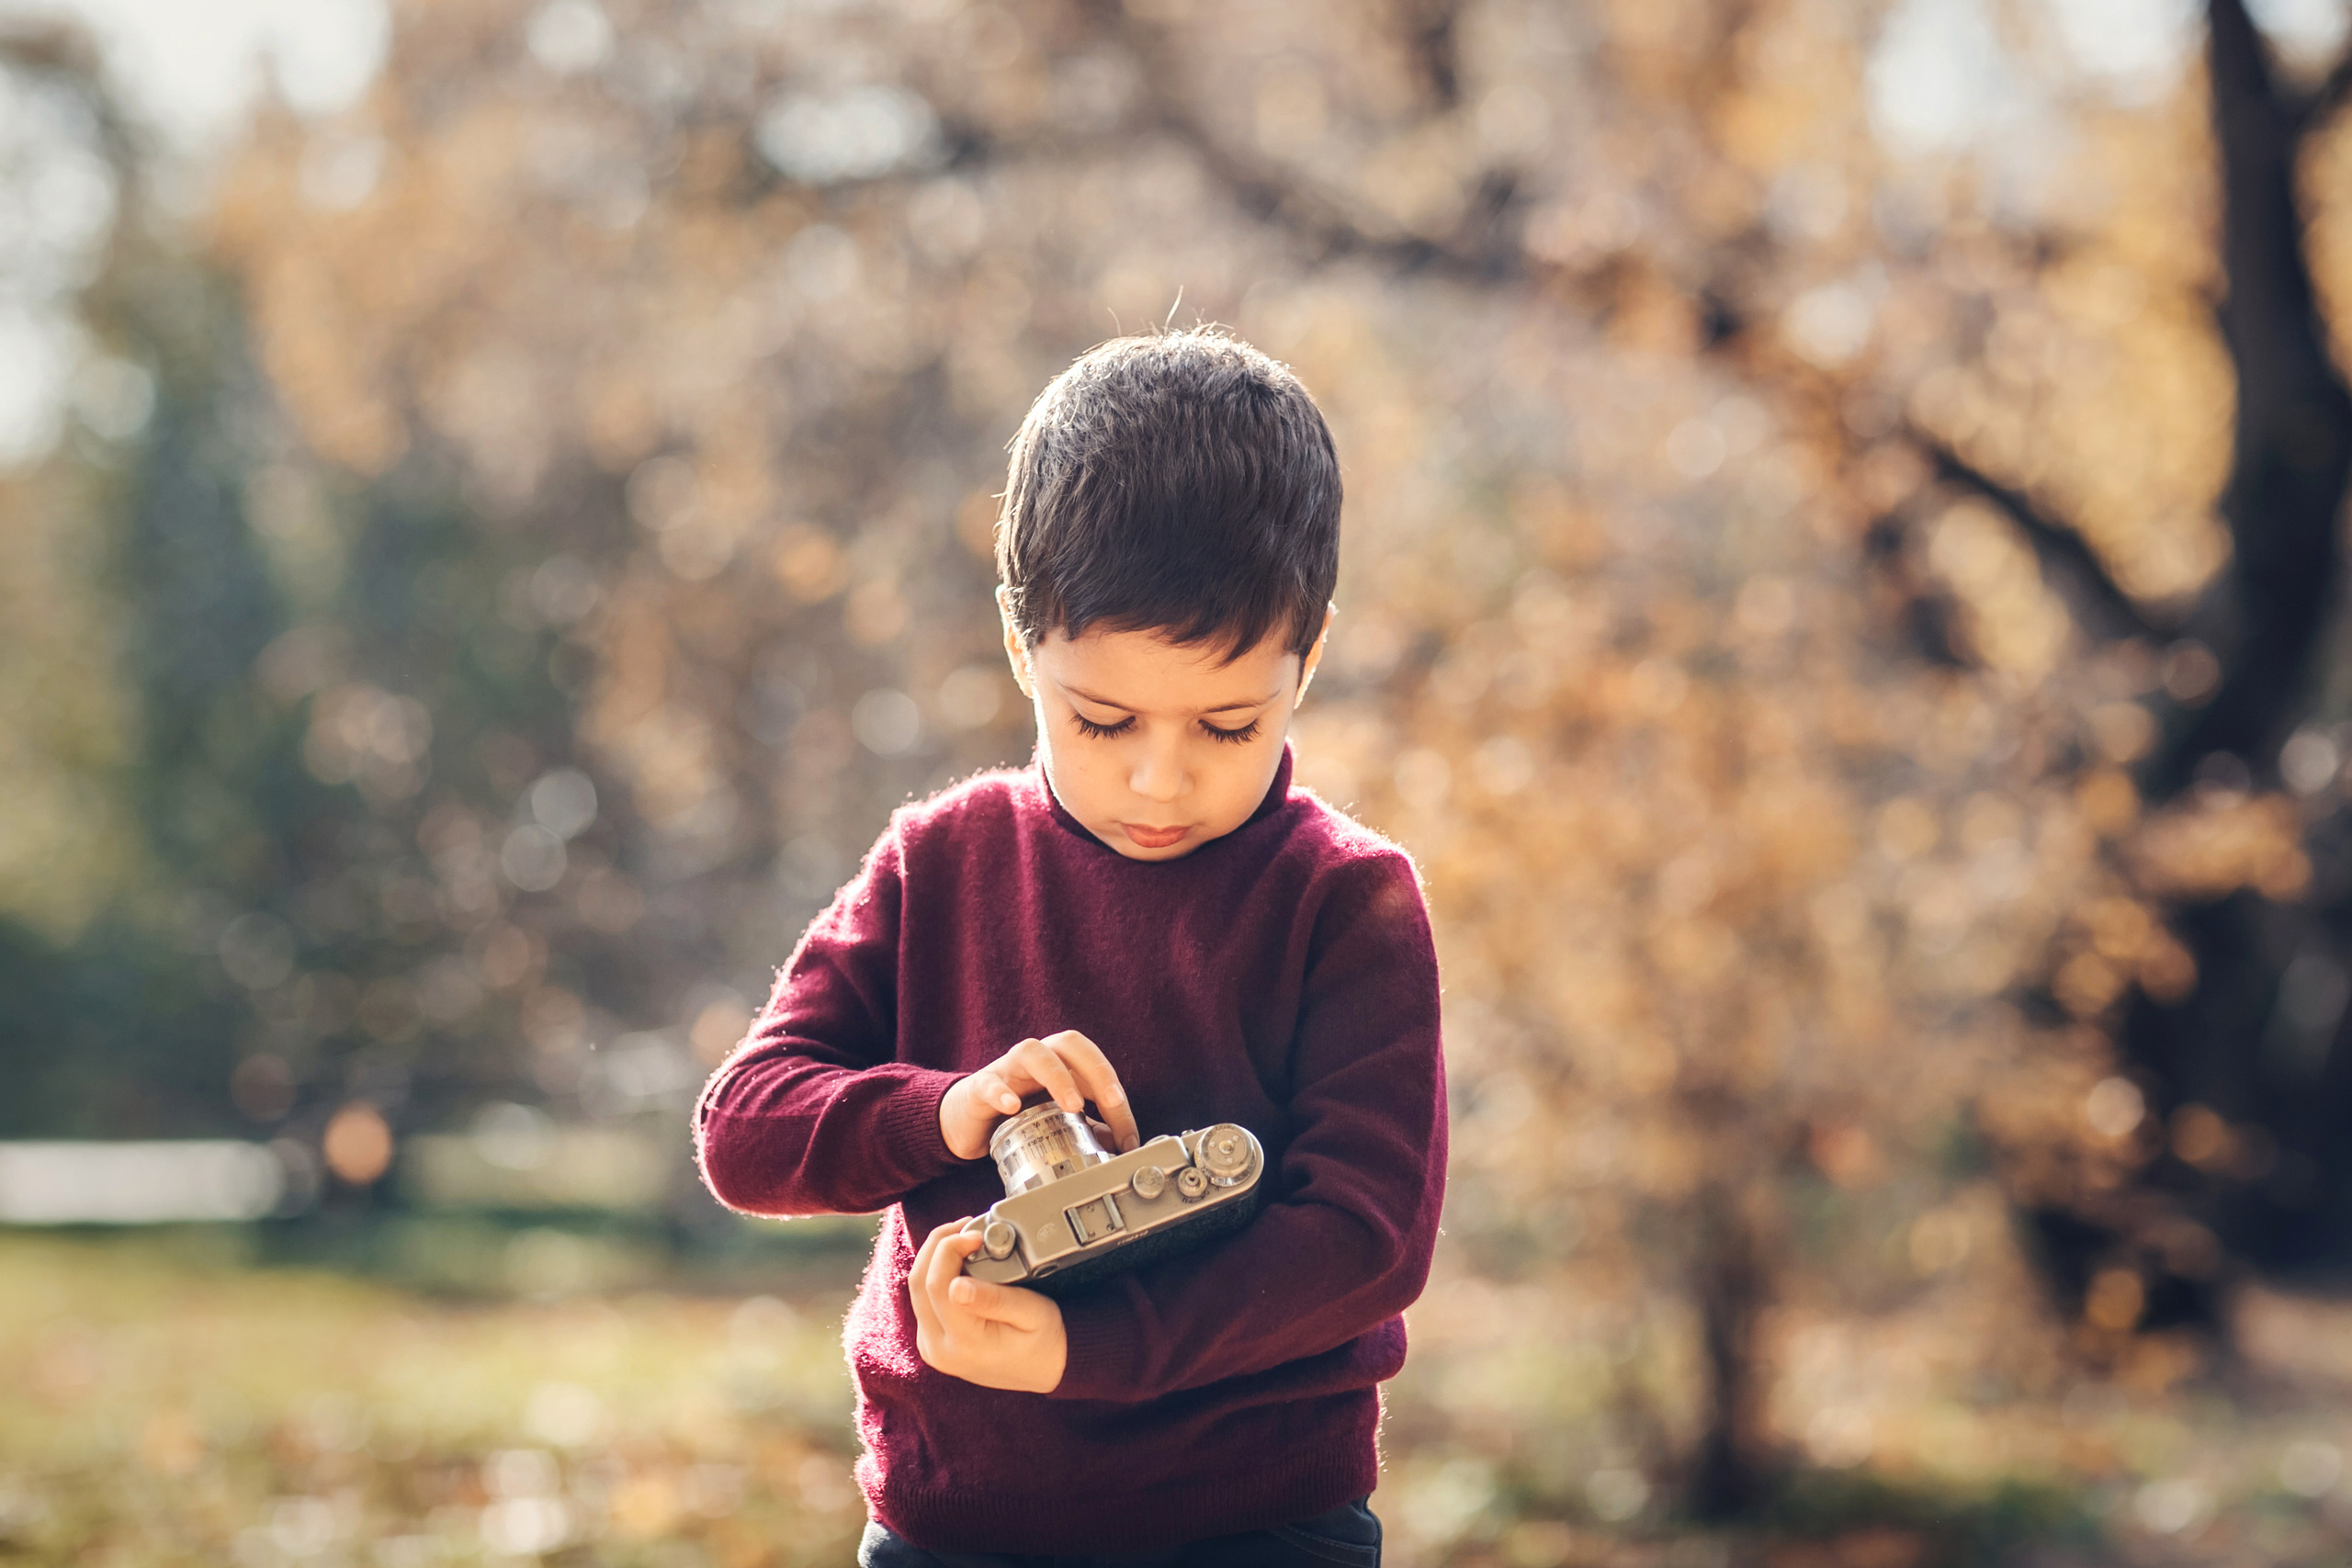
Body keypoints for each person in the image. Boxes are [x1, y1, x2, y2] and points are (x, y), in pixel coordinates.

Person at [693, 327, 1446, 1566]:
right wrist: (948, 1111)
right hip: (957, 1530)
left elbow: (1363, 1241)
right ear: (1019, 643)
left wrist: (1094, 1352)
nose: (1162, 777)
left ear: (1306, 659)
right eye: (1101, 720)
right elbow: (744, 1131)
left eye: (1227, 722)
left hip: (1258, 1530)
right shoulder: (937, 863)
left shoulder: (1347, 902)